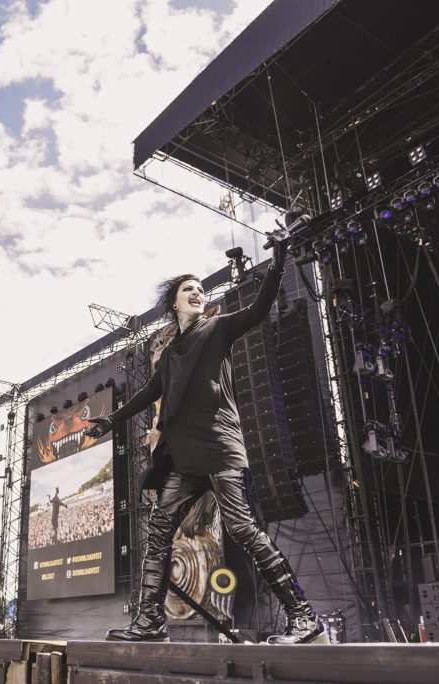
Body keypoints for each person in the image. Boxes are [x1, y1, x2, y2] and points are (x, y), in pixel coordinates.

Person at [86, 220, 325, 645]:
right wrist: (112, 421)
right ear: (174, 304)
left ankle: (304, 618)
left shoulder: (218, 328)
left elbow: (258, 308)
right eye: (188, 290)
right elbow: (149, 392)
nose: (198, 293)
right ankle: (150, 622)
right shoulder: (171, 354)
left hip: (219, 448)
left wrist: (278, 259)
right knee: (160, 531)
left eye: (200, 288)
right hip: (183, 455)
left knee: (243, 529)